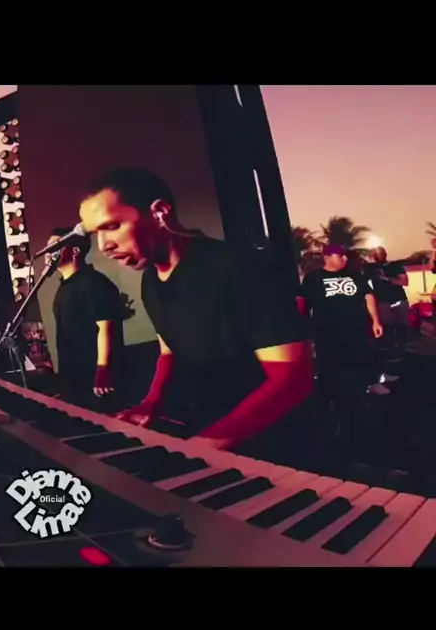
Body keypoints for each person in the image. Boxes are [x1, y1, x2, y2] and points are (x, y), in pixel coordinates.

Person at [78, 168, 314, 456]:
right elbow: (169, 350)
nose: (103, 246)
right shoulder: (150, 280)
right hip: (208, 436)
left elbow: (293, 379)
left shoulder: (236, 267)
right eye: (96, 234)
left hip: (274, 450)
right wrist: (151, 404)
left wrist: (211, 442)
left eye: (112, 226)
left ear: (160, 212)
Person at [299, 245, 387, 449]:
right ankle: (328, 414)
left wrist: (376, 320)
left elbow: (368, 296)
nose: (345, 259)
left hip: (355, 332)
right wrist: (303, 328)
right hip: (327, 334)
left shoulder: (355, 275)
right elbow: (303, 302)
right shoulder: (314, 278)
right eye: (340, 256)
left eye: (346, 256)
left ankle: (360, 408)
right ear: (327, 257)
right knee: (330, 372)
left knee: (356, 370)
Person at [46, 227, 125, 403]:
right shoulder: (65, 287)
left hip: (94, 380)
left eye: (54, 246)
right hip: (73, 378)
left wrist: (103, 370)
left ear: (75, 251)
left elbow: (107, 328)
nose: (47, 252)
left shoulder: (94, 283)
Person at [365, 247, 410, 360]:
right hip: (382, 301)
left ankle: (403, 350)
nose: (377, 257)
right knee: (387, 327)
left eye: (379, 255)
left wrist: (388, 279)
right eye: (375, 255)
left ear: (385, 254)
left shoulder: (395, 266)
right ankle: (391, 351)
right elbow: (363, 281)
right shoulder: (371, 268)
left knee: (402, 326)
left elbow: (405, 282)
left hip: (399, 299)